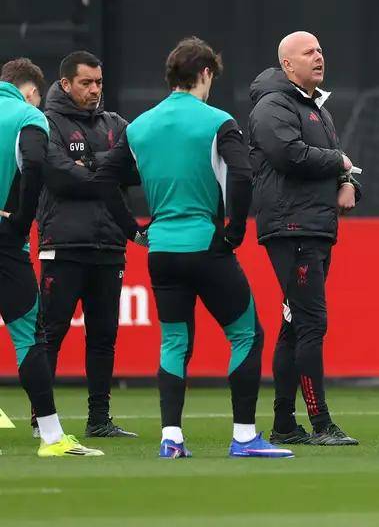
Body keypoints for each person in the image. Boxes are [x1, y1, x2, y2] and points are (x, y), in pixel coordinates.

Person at [92, 37, 292, 459]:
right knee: (246, 335)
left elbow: (104, 179)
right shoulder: (218, 121)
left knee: (174, 341)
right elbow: (242, 174)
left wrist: (133, 231)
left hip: (161, 250)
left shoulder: (139, 126)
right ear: (205, 73)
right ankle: (244, 437)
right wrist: (234, 230)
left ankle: (172, 438)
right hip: (205, 244)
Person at [248, 31, 360, 446]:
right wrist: (339, 163)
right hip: (292, 227)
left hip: (314, 226)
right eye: (308, 52)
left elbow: (337, 166)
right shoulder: (272, 105)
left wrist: (348, 182)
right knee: (311, 323)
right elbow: (289, 155)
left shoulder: (316, 109)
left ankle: (283, 424)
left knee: (294, 325)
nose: (319, 56)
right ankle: (320, 423)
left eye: (320, 50)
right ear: (287, 64)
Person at [35, 50, 141, 439]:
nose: (95, 90)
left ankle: (99, 419)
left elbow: (138, 167)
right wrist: (109, 170)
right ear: (65, 84)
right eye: (86, 83)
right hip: (63, 245)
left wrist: (92, 165)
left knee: (103, 337)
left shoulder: (116, 123)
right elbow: (59, 175)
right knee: (51, 334)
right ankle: (42, 419)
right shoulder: (46, 122)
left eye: (98, 82)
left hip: (109, 245)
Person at [0, 57, 102, 457]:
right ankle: (52, 437)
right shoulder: (29, 115)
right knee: (29, 337)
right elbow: (34, 162)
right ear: (31, 91)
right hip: (5, 243)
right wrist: (21, 221)